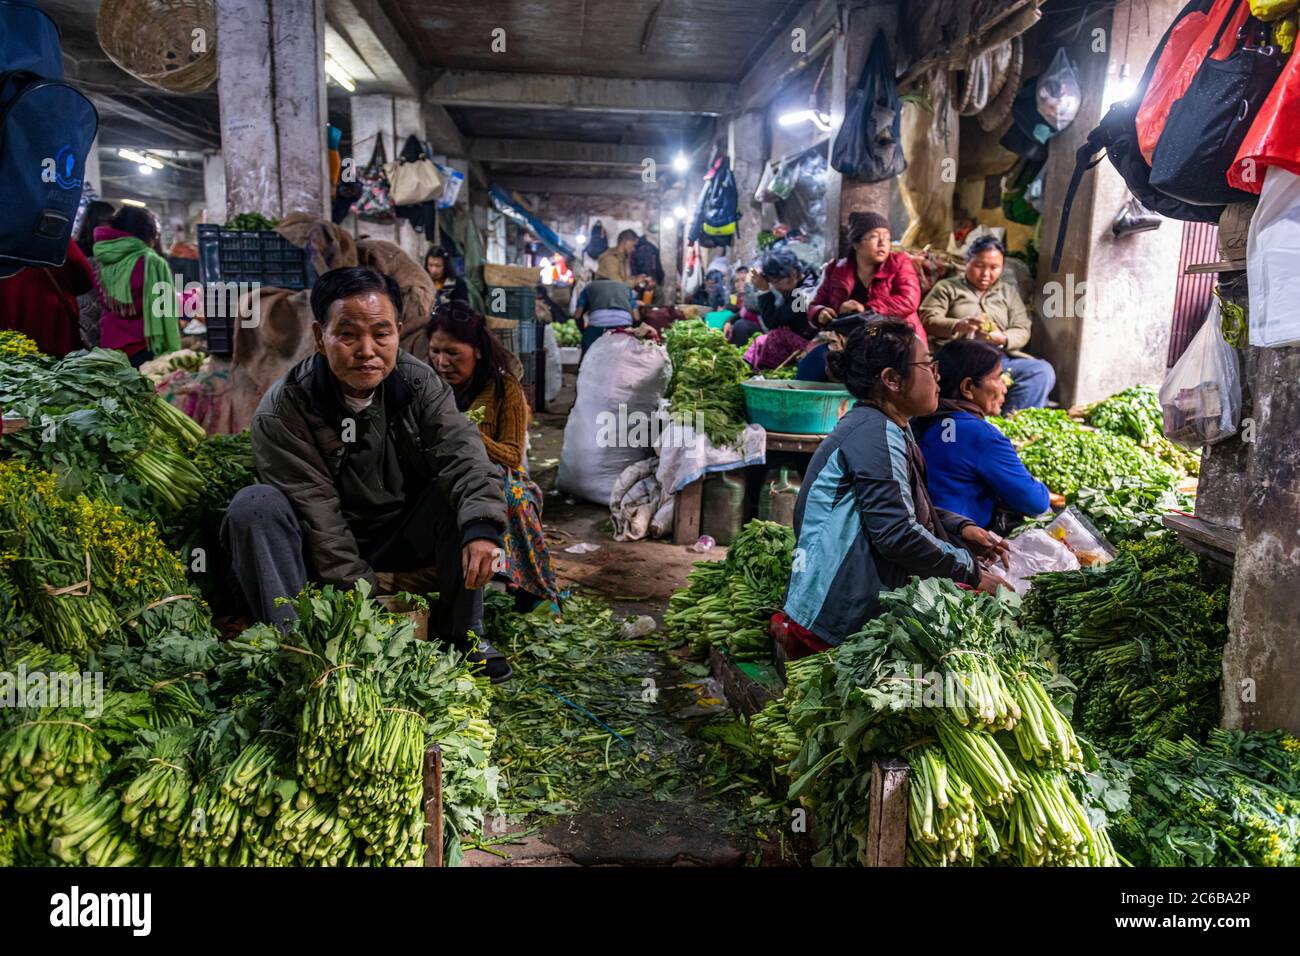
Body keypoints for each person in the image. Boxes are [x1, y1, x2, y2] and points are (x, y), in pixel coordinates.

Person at [221, 267, 512, 682]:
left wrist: (482, 528)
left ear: (397, 331)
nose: (367, 350)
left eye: (381, 333)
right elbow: (319, 515)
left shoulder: (418, 382)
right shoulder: (284, 410)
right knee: (253, 506)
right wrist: (365, 612)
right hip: (318, 548)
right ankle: (292, 645)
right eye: (348, 334)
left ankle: (462, 633)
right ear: (321, 338)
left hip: (398, 532)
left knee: (464, 498)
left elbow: (462, 453)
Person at [779, 319, 1011, 654]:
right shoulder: (876, 433)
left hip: (831, 607)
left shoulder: (886, 425)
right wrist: (971, 571)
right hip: (835, 622)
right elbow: (898, 534)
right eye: (927, 365)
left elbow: (898, 506)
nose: (937, 375)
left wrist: (962, 528)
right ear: (891, 380)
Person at [427, 302, 560, 608]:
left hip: (499, 474)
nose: (441, 361)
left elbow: (512, 455)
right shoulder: (427, 388)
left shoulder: (504, 389)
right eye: (435, 351)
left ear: (477, 350)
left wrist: (465, 433)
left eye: (452, 353)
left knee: (511, 498)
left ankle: (521, 585)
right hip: (443, 476)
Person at [913, 339, 1060, 532]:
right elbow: (1035, 503)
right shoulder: (980, 435)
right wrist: (1043, 489)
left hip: (927, 528)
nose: (1004, 388)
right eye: (998, 378)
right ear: (968, 388)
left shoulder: (921, 419)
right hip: (959, 540)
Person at [918, 236, 1056, 412]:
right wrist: (958, 325)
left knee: (1041, 371)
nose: (986, 274)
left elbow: (1022, 328)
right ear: (967, 262)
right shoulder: (947, 287)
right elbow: (928, 318)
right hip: (959, 361)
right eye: (979, 266)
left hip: (998, 362)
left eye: (994, 268)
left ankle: (1009, 423)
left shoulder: (1008, 293)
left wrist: (1002, 338)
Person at [801, 211, 925, 383]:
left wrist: (866, 308)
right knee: (817, 358)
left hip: (888, 332)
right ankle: (803, 400)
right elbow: (815, 304)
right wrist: (819, 312)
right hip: (852, 334)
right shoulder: (836, 269)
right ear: (856, 244)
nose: (883, 243)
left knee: (871, 356)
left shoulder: (900, 263)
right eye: (874, 237)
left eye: (887, 238)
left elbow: (909, 301)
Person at [92, 205, 181, 367]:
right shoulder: (151, 262)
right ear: (148, 232)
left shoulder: (104, 260)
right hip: (145, 346)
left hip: (110, 346)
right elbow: (166, 310)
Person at [0, 240, 95, 357]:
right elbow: (83, 272)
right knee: (53, 368)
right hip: (48, 316)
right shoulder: (51, 227)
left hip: (7, 310)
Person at [742, 251, 813, 371]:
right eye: (773, 281)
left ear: (794, 272)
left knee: (776, 336)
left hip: (814, 346)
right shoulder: (795, 285)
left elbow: (773, 322)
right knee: (760, 341)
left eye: (779, 280)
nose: (777, 286)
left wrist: (764, 290)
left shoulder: (806, 291)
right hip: (800, 343)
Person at [573, 275, 637, 357]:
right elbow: (636, 316)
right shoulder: (625, 287)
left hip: (597, 326)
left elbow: (577, 315)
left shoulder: (589, 287)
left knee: (588, 356)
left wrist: (583, 331)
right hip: (623, 325)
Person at [424, 245, 468, 309]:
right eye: (430, 265)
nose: (434, 270)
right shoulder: (423, 283)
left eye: (438, 266)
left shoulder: (458, 284)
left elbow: (462, 310)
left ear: (446, 266)